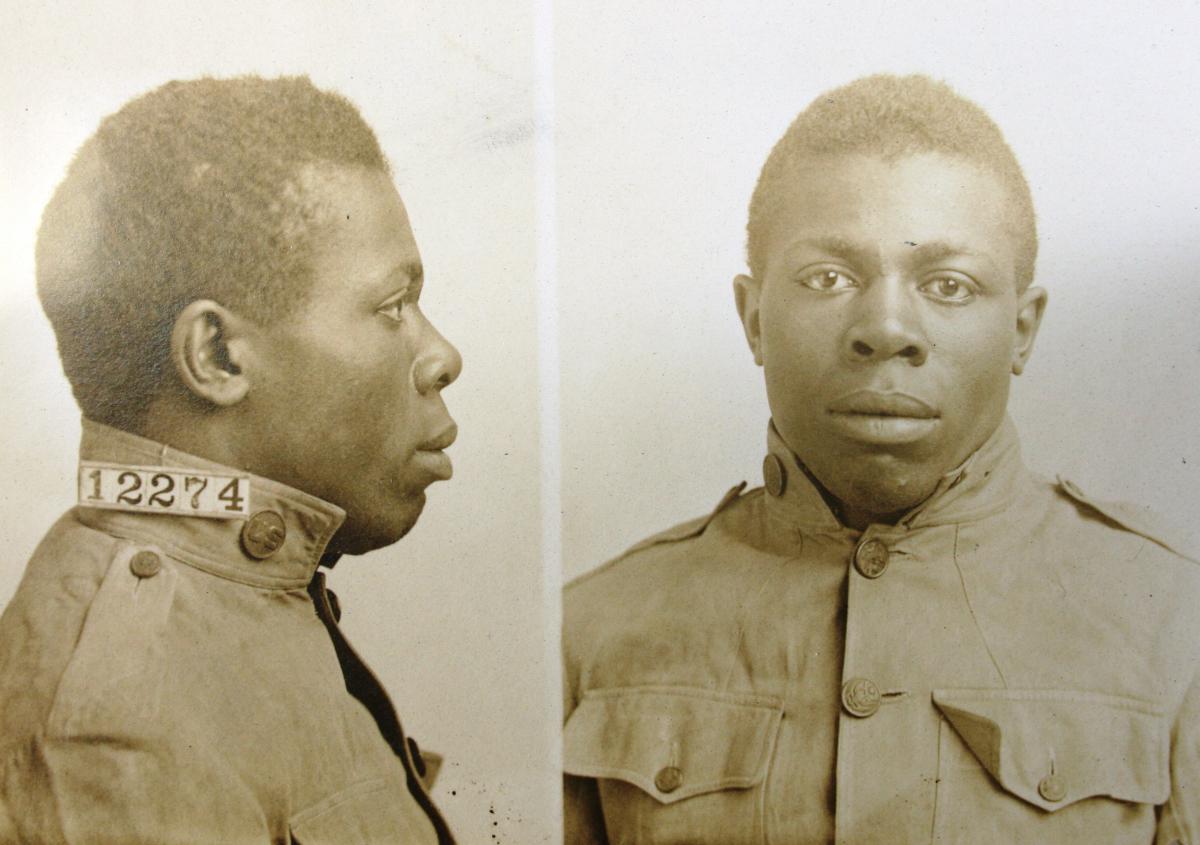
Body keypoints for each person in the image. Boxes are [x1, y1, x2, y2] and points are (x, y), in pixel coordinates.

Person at [562, 74, 1199, 844]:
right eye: (828, 278)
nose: (888, 328)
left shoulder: (1174, 619)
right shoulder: (591, 629)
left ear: (1023, 329)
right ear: (753, 317)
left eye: (949, 284)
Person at [0, 76, 462, 843]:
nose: (442, 354)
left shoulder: (232, 603)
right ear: (215, 355)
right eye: (391, 308)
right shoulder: (121, 733)